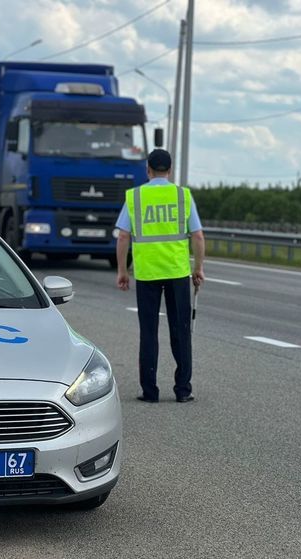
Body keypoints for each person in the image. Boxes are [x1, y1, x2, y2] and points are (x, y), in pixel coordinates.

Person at [114, 149, 205, 403]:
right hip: (177, 272)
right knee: (181, 331)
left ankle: (150, 391)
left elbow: (123, 236)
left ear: (148, 169)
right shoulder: (182, 195)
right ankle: (183, 390)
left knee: (149, 332)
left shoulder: (135, 196)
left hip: (147, 273)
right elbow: (197, 236)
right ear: (171, 169)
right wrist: (198, 268)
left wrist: (123, 270)